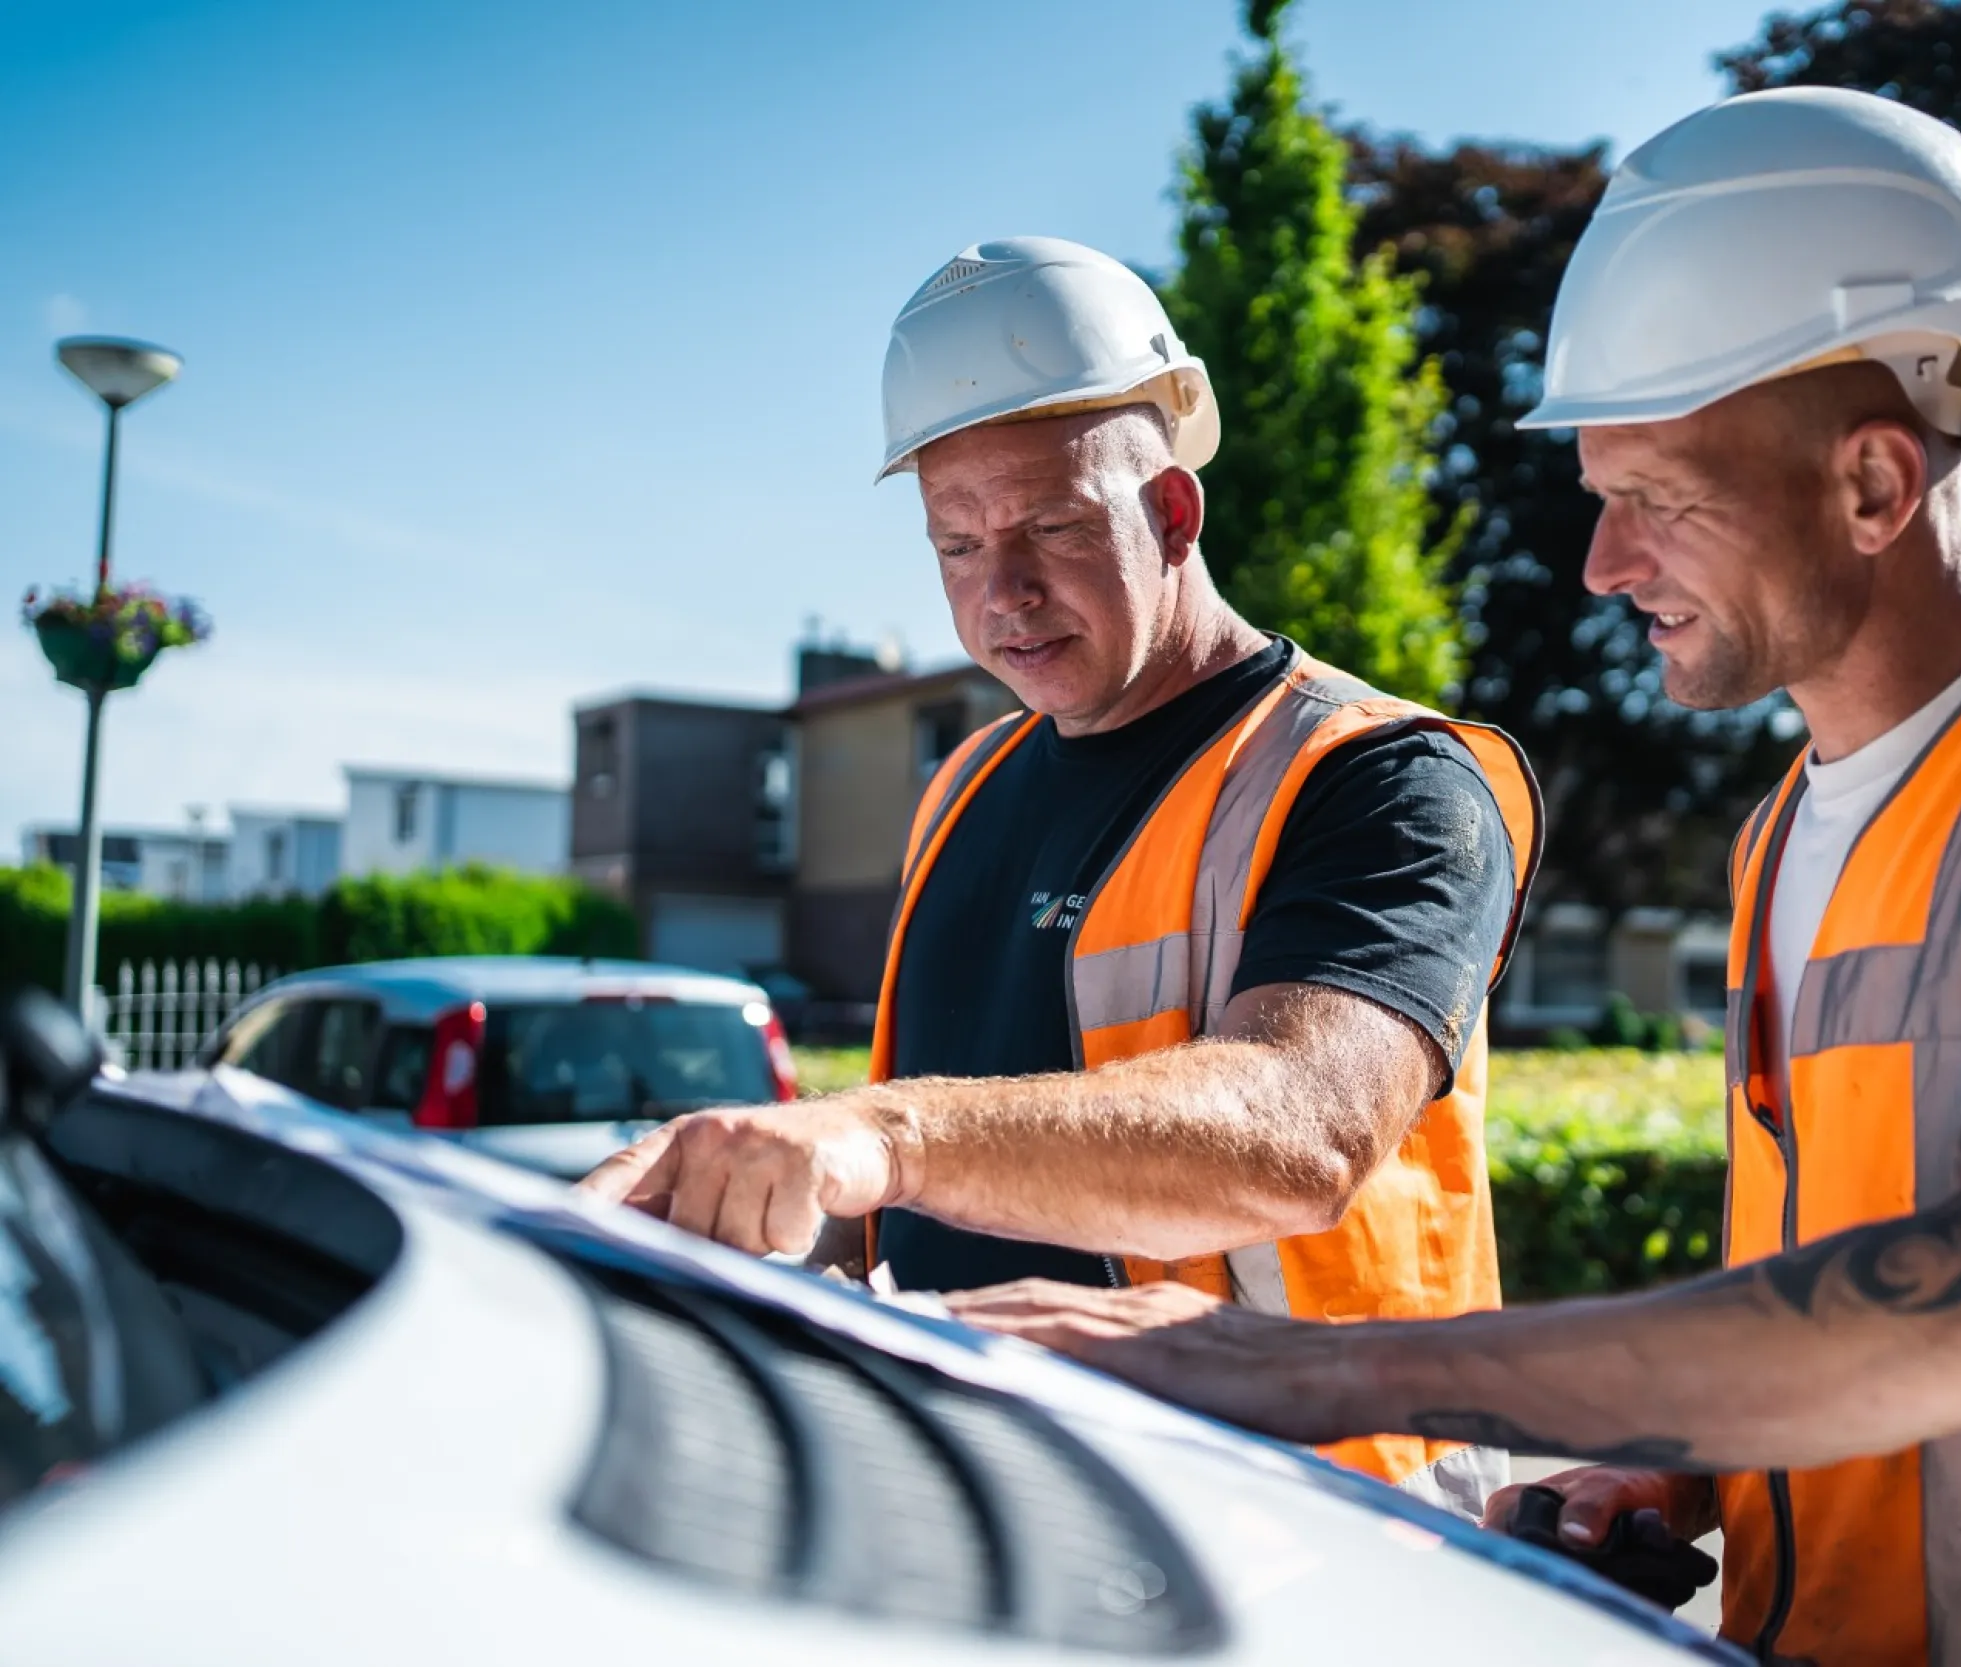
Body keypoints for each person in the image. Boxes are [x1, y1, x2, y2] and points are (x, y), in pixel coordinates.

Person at [948, 92, 1961, 1667]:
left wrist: (1300, 1368)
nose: (1603, 563)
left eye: (1662, 499)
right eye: (1599, 494)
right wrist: (1686, 1464)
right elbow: (1847, 1289)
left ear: (1872, 484)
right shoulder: (1787, 833)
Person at [581, 236, 1542, 1516]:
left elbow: (1301, 1132)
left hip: (1322, 1533)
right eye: (956, 544)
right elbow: (919, 1186)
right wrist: (727, 1183)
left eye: (1048, 527)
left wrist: (880, 1138)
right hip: (1006, 1512)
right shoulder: (965, 785)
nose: (1002, 595)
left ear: (1173, 512)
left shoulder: (1381, 779)